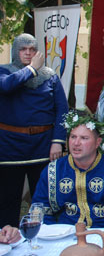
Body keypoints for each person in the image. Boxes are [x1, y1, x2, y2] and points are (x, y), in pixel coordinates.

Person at [0, 33, 69, 227]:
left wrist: (58, 141)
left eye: (32, 49)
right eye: (23, 49)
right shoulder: (4, 72)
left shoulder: (49, 76)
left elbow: (62, 110)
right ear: (16, 51)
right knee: (7, 202)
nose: (28, 53)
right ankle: (7, 237)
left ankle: (45, 236)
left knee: (45, 201)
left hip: (42, 146)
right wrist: (31, 69)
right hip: (10, 147)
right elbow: (6, 86)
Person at [32, 111, 104, 227]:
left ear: (97, 142)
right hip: (65, 234)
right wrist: (55, 232)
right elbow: (40, 212)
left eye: (84, 138)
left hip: (103, 233)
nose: (76, 143)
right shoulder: (53, 170)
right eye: (73, 137)